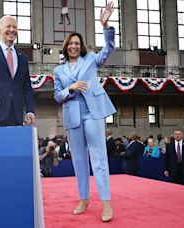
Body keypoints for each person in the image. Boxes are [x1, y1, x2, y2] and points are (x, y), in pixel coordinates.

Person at [53, 1, 115, 222]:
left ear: (81, 46)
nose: (74, 46)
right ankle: (84, 199)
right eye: (71, 44)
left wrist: (105, 25)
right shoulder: (58, 70)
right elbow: (57, 95)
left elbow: (108, 50)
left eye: (77, 43)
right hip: (72, 115)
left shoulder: (91, 60)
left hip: (93, 112)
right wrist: (69, 88)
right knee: (79, 160)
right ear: (66, 46)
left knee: (98, 158)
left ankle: (106, 203)